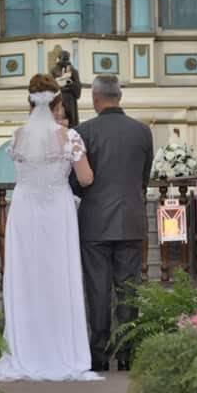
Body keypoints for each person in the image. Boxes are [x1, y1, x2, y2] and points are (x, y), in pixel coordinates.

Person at [0, 74, 100, 381]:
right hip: (57, 212)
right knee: (58, 276)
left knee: (27, 279)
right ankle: (63, 351)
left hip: (24, 211)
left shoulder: (17, 136)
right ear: (58, 103)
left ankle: (27, 350)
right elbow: (87, 177)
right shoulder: (70, 137)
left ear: (30, 102)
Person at [72, 74, 154, 371]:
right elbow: (144, 178)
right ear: (119, 96)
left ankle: (99, 357)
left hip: (95, 223)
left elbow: (76, 182)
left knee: (98, 289)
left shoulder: (84, 131)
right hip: (131, 219)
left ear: (95, 99)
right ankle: (128, 354)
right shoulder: (142, 132)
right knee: (129, 290)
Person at [51, 50, 81, 129]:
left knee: (71, 124)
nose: (65, 61)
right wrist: (61, 82)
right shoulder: (53, 71)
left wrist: (69, 84)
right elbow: (51, 87)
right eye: (63, 59)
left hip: (70, 101)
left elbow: (78, 88)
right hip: (58, 101)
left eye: (66, 59)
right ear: (59, 58)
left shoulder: (74, 71)